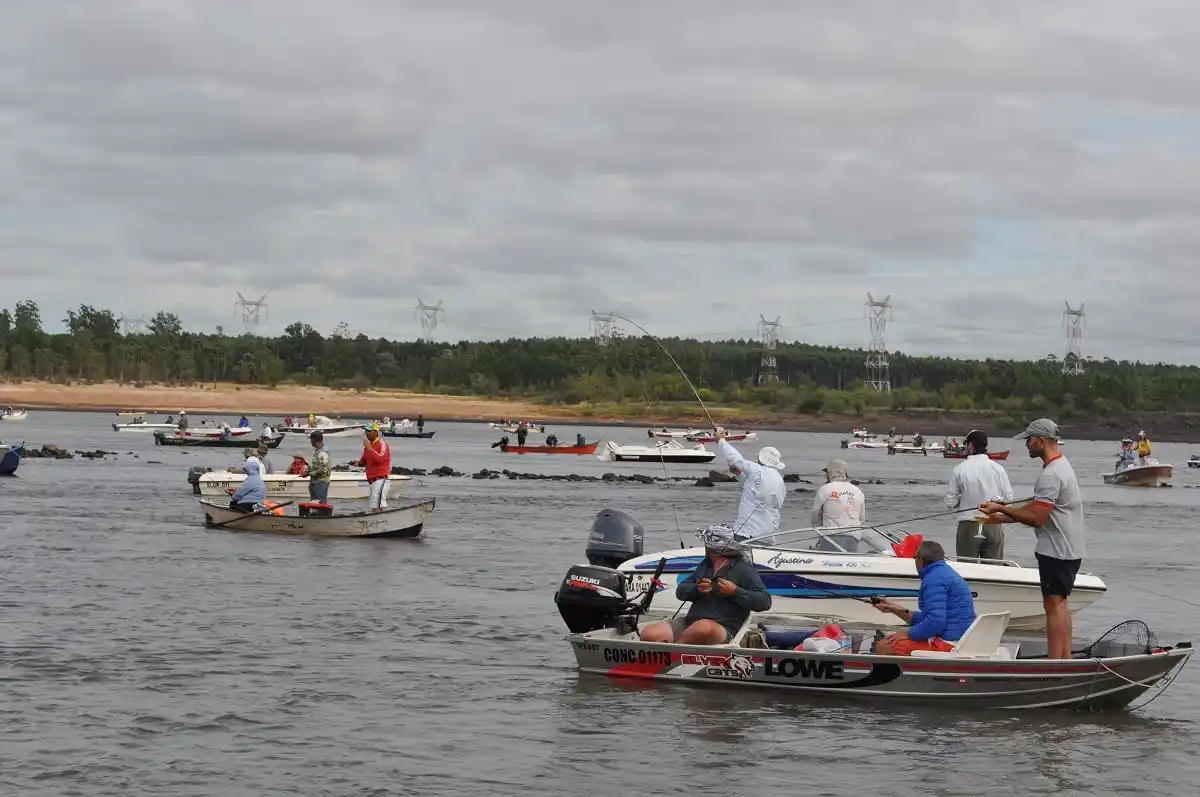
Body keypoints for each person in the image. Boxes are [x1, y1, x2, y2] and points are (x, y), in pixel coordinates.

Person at [979, 418, 1084, 659]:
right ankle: (1064, 658)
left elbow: (1037, 517)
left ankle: (1056, 663)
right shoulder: (1062, 466)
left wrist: (1002, 509)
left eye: (1029, 440)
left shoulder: (1051, 474)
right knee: (1061, 604)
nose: (1026, 444)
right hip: (1069, 548)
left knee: (1053, 606)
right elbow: (1040, 509)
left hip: (1056, 550)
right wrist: (1001, 517)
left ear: (1040, 440)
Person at [639, 523, 772, 644]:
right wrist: (697, 589)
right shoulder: (705, 565)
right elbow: (681, 591)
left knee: (702, 629)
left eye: (707, 544)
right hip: (690, 623)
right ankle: (673, 652)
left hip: (722, 628)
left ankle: (673, 652)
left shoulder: (743, 570)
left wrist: (735, 592)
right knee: (651, 634)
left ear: (712, 548)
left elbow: (765, 601)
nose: (705, 547)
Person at [873, 540, 977, 655]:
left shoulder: (933, 580)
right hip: (961, 640)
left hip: (949, 644)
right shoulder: (945, 573)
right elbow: (931, 617)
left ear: (920, 561)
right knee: (895, 637)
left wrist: (908, 633)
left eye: (914, 558)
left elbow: (935, 622)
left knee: (884, 645)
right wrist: (894, 609)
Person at [944, 430, 1015, 560]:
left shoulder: (960, 469)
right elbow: (1009, 501)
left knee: (966, 569)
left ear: (970, 446)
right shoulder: (998, 469)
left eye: (965, 444)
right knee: (994, 572)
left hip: (969, 525)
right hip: (994, 525)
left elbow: (950, 503)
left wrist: (964, 497)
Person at [714, 427, 786, 539]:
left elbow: (735, 459)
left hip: (748, 532)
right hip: (768, 534)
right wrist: (739, 475)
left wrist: (721, 440)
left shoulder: (758, 470)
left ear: (761, 459)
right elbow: (755, 490)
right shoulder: (778, 479)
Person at [811, 458, 866, 528]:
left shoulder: (824, 489)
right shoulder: (857, 491)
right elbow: (862, 519)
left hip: (831, 534)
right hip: (855, 534)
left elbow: (815, 514)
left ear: (830, 473)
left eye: (827, 473)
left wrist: (818, 528)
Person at [355, 422, 392, 512]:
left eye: (369, 431)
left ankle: (384, 523)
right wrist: (356, 463)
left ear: (376, 432)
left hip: (380, 479)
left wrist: (370, 449)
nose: (367, 433)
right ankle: (377, 524)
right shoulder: (369, 446)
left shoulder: (381, 443)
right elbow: (364, 461)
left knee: (379, 506)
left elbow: (381, 459)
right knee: (374, 506)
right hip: (372, 481)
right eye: (366, 431)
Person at [308, 430, 332, 503]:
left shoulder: (322, 453)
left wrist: (309, 473)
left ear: (314, 440)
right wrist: (309, 470)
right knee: (314, 506)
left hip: (321, 483)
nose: (310, 441)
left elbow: (323, 470)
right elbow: (317, 466)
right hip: (315, 483)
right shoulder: (318, 451)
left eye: (311, 439)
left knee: (320, 505)